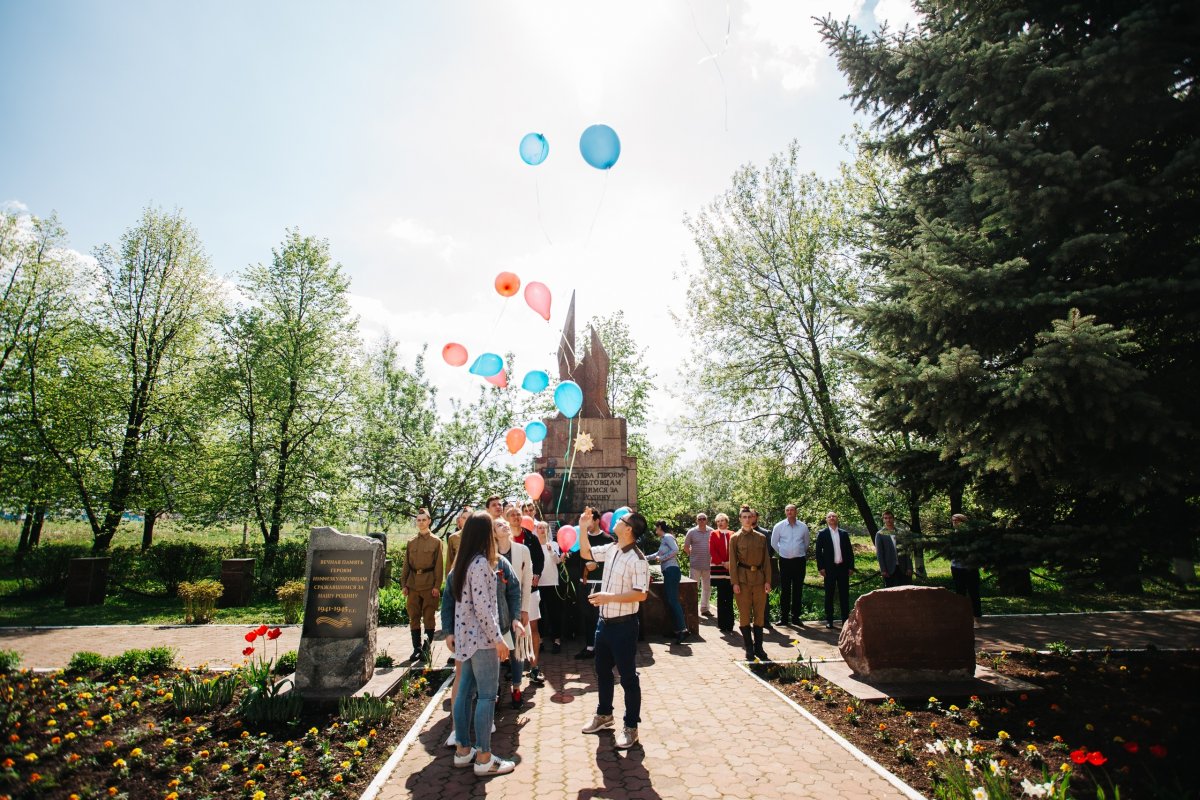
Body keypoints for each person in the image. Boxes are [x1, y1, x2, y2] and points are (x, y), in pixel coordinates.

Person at [445, 511, 516, 776]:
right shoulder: (481, 564)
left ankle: (463, 750)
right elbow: (484, 608)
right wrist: (498, 639)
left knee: (464, 692)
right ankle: (484, 757)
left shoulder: (462, 564)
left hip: (465, 639)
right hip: (483, 640)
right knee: (487, 695)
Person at [579, 511, 651, 750]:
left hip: (624, 626)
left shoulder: (638, 559)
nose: (616, 521)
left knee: (628, 677)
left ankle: (631, 727)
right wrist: (583, 527)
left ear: (629, 529)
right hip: (604, 624)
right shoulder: (612, 548)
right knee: (602, 671)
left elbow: (641, 594)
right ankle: (604, 715)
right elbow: (586, 553)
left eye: (621, 520)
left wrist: (609, 597)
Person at [494, 515, 533, 708]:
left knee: (517, 649)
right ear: (493, 533)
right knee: (495, 650)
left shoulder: (522, 550)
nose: (505, 526)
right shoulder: (489, 553)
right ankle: (495, 690)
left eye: (505, 523)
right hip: (496, 609)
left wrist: (524, 609)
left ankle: (516, 688)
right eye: (499, 525)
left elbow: (526, 581)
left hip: (516, 607)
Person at [506, 505, 544, 684]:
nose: (516, 517)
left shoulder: (530, 537)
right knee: (510, 629)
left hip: (530, 590)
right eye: (512, 515)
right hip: (508, 593)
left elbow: (539, 559)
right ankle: (514, 667)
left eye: (518, 514)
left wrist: (536, 574)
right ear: (506, 518)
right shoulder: (501, 539)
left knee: (532, 627)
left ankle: (534, 666)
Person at [401, 508, 443, 662]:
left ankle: (426, 649)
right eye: (418, 520)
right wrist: (404, 584)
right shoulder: (411, 542)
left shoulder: (436, 542)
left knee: (429, 617)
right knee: (413, 616)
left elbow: (439, 566)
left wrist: (437, 586)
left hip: (429, 584)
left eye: (424, 520)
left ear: (429, 521)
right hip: (413, 584)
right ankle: (416, 648)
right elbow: (406, 565)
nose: (421, 522)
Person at [729, 506, 772, 660]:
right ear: (740, 519)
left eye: (749, 517)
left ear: (753, 518)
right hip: (743, 580)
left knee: (760, 615)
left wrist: (768, 580)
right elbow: (732, 562)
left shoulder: (761, 537)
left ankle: (759, 648)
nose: (747, 519)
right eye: (744, 517)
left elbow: (766, 561)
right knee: (745, 614)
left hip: (759, 580)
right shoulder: (735, 538)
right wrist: (735, 582)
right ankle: (749, 648)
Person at [573, 508, 613, 660]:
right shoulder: (581, 537)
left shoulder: (608, 539)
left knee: (600, 617)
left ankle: (603, 648)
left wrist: (597, 565)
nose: (586, 523)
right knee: (587, 616)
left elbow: (612, 561)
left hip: (600, 583)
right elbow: (576, 558)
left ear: (597, 520)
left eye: (589, 520)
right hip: (584, 583)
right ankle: (590, 647)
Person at [647, 520, 688, 645]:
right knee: (671, 601)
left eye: (656, 528)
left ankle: (683, 630)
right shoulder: (664, 539)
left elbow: (675, 550)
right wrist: (645, 557)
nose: (655, 531)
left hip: (672, 571)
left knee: (673, 601)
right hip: (668, 571)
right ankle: (677, 630)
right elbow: (657, 554)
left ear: (660, 527)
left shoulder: (668, 537)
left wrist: (662, 558)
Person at [771, 504, 810, 626]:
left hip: (799, 561)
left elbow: (806, 543)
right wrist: (783, 552)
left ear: (796, 512)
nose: (789, 512)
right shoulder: (779, 526)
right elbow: (773, 543)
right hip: (785, 561)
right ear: (785, 512)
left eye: (792, 510)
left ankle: (796, 617)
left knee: (798, 589)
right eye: (787, 510)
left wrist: (798, 552)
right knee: (785, 589)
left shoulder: (803, 527)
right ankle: (784, 618)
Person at [814, 512, 854, 629]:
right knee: (829, 594)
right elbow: (818, 552)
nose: (832, 518)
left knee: (844, 595)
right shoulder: (822, 533)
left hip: (843, 568)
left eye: (834, 516)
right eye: (829, 516)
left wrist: (851, 567)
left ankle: (845, 620)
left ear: (837, 518)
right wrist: (821, 567)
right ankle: (829, 620)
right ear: (826, 519)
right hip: (829, 569)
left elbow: (849, 551)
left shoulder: (844, 533)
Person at [535, 520, 563, 653]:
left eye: (544, 528)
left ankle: (556, 640)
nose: (541, 530)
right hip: (538, 583)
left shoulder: (554, 544)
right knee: (539, 614)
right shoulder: (533, 546)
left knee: (554, 613)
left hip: (552, 582)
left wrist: (552, 552)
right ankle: (539, 641)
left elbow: (558, 561)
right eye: (539, 528)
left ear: (547, 530)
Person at [949, 513, 982, 618]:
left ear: (963, 522)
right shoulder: (952, 535)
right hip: (956, 567)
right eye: (953, 521)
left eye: (956, 521)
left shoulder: (971, 535)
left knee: (973, 592)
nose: (954, 523)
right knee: (960, 592)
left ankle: (976, 616)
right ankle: (961, 616)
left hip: (970, 568)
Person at [682, 513, 713, 617]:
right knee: (693, 588)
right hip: (695, 565)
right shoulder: (691, 532)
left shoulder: (712, 531)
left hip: (708, 565)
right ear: (696, 520)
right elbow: (686, 547)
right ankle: (692, 609)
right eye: (699, 519)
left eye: (704, 519)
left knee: (707, 588)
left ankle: (704, 609)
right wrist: (692, 555)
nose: (702, 520)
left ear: (707, 520)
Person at [708, 513, 735, 632]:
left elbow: (735, 550)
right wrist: (723, 562)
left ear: (727, 522)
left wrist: (730, 562)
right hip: (718, 568)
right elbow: (712, 550)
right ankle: (722, 624)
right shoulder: (713, 533)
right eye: (718, 521)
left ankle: (730, 623)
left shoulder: (733, 534)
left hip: (730, 567)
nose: (720, 523)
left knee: (729, 596)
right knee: (721, 596)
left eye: (722, 520)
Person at [876, 510, 911, 588]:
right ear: (883, 520)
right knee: (890, 591)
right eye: (886, 518)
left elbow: (907, 551)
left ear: (893, 519)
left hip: (903, 568)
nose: (888, 520)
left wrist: (909, 567)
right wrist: (883, 570)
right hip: (889, 569)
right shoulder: (880, 534)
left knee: (904, 590)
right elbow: (879, 554)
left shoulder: (901, 533)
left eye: (890, 518)